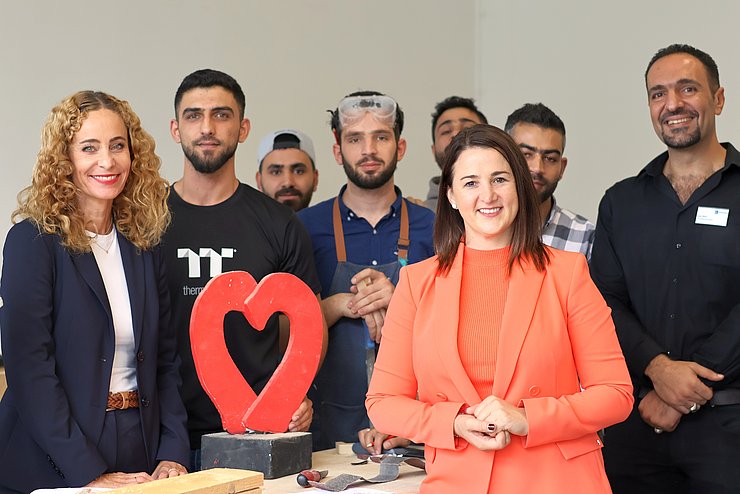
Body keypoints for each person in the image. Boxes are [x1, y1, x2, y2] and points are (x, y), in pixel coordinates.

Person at [366, 124, 633, 493]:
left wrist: (529, 418)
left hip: (557, 480)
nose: (487, 195)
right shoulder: (416, 283)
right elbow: (383, 402)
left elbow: (616, 393)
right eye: (471, 182)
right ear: (452, 195)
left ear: (519, 188)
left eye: (500, 179)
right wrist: (454, 422)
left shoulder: (567, 273)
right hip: (456, 481)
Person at [0, 91, 189, 493]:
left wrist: (173, 450)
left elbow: (165, 361)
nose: (107, 161)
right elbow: (30, 370)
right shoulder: (32, 242)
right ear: (64, 160)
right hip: (52, 463)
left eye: (118, 146)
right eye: (89, 148)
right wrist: (88, 472)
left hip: (140, 452)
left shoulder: (144, 245)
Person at [590, 44, 740, 493]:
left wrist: (682, 390)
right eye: (658, 94)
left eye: (687, 89)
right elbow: (605, 301)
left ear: (717, 99)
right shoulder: (621, 202)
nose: (672, 104)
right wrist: (657, 368)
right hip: (636, 426)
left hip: (729, 427)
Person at [162, 69, 326, 469]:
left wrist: (297, 394)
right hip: (163, 439)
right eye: (193, 115)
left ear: (243, 127)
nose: (207, 128)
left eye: (221, 114)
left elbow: (308, 326)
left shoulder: (280, 225)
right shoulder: (145, 222)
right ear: (175, 128)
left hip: (259, 435)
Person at [298, 91, 435, 451]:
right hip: (325, 431)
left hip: (413, 430)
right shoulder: (304, 228)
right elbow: (282, 331)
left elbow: (461, 326)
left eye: (381, 137)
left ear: (400, 147)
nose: (368, 150)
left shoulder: (434, 228)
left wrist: (401, 300)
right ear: (337, 150)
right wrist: (339, 305)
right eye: (355, 139)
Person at [505, 103, 595, 259]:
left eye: (550, 158)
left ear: (562, 167)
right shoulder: (481, 227)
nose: (537, 168)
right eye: (526, 154)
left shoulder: (585, 237)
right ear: (503, 157)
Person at [425, 96, 487, 211]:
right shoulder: (420, 216)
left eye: (467, 128)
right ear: (433, 151)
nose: (456, 134)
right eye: (446, 131)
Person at [256, 129, 319, 211]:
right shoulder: (240, 223)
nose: (288, 182)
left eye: (298, 171)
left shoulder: (333, 222)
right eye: (276, 172)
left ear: (315, 179)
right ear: (259, 181)